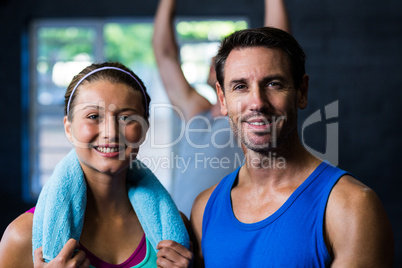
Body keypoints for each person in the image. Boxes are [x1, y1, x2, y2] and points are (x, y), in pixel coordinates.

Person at [190, 27, 394, 267]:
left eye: (273, 84)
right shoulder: (205, 208)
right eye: (240, 87)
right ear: (223, 99)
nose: (257, 102)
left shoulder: (351, 207)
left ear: (301, 92)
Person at [0, 62, 193, 268]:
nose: (111, 132)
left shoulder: (175, 232)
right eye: (93, 116)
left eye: (126, 118)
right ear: (68, 128)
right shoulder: (22, 236)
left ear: (144, 130)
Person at [152, 0, 291, 217]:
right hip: (180, 234)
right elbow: (165, 54)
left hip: (226, 230)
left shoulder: (250, 116)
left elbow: (278, 48)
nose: (213, 60)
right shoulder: (197, 111)